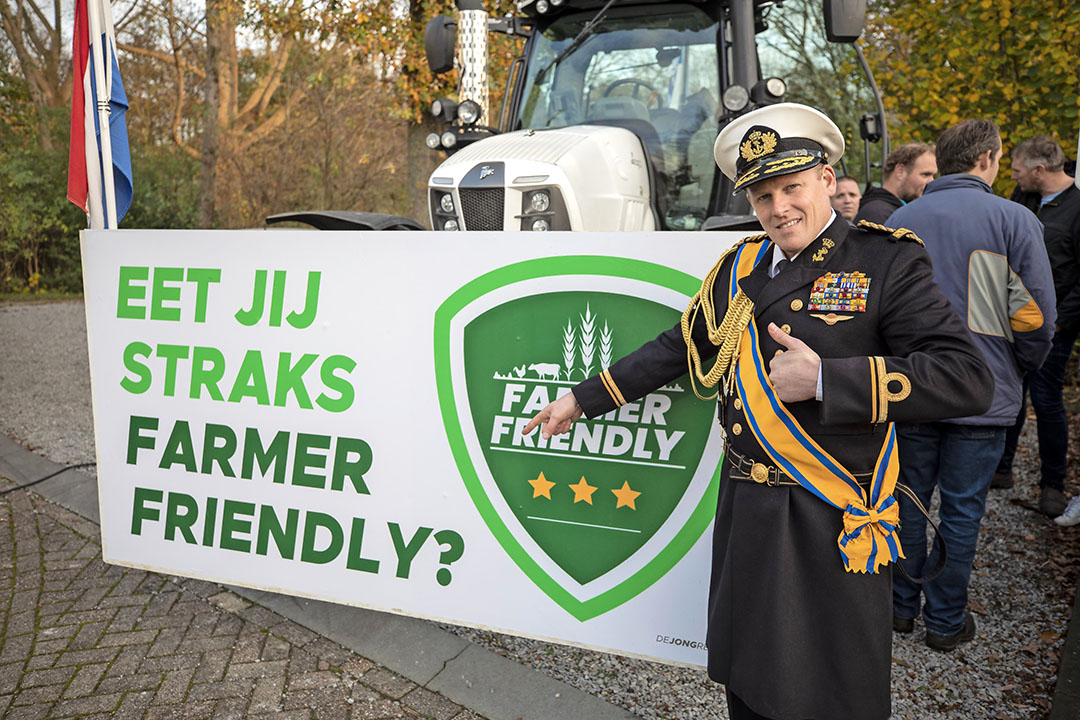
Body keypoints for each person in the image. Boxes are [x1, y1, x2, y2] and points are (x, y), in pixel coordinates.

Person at [522, 103, 993, 720]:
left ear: (827, 179)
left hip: (830, 513)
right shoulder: (739, 264)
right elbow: (678, 346)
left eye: (792, 186)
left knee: (831, 686)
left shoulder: (887, 261)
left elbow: (966, 378)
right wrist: (583, 398)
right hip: (747, 505)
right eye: (762, 195)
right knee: (747, 677)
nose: (778, 208)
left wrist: (826, 379)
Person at [887, 119, 1055, 651]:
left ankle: (898, 611)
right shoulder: (1013, 219)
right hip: (982, 390)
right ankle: (945, 622)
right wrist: (1023, 365)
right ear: (986, 159)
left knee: (906, 503)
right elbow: (1035, 316)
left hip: (911, 387)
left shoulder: (901, 218)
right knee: (962, 513)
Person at [991, 136, 1080, 521]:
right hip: (1012, 319)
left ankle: (1052, 486)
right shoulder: (1021, 198)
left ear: (1039, 171)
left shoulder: (1077, 208)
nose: (1013, 176)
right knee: (1012, 391)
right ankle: (1002, 468)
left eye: (1017, 170)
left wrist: (1061, 321)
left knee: (1045, 400)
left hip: (1055, 325)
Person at [856, 142, 937, 224]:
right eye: (925, 175)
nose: (931, 181)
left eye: (934, 176)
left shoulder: (894, 211)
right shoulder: (877, 214)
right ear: (900, 171)